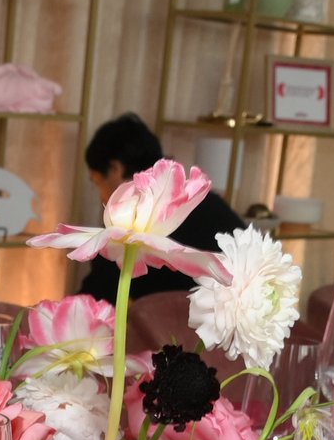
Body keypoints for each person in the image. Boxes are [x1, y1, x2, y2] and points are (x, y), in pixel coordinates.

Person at [74, 113, 245, 303]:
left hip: (190, 318)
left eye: (97, 182)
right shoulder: (206, 201)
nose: (102, 196)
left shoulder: (130, 224)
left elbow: (93, 300)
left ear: (116, 169)